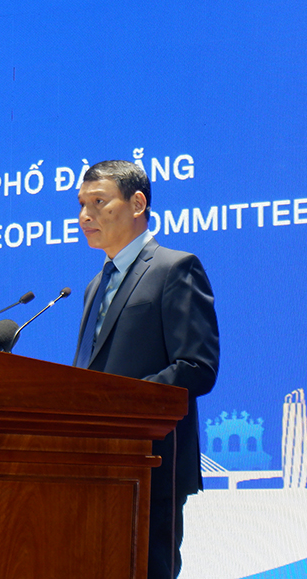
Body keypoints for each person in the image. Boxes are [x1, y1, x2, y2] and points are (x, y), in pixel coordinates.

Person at [74, 159, 219, 579]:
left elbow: (196, 366)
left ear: (137, 203)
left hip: (151, 465)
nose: (85, 215)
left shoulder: (175, 268)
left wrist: (119, 405)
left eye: (99, 202)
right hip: (92, 465)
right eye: (82, 204)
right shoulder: (93, 286)